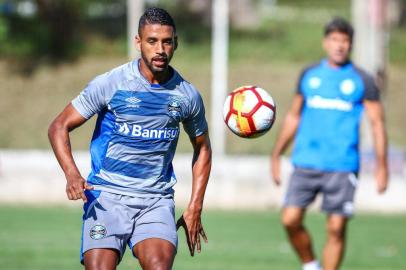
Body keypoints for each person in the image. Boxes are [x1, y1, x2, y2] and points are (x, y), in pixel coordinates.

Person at [48, 7, 211, 270]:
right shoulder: (111, 84)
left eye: (167, 42)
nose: (160, 49)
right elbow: (59, 126)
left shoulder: (187, 96)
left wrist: (195, 206)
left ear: (176, 44)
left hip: (154, 200)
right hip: (107, 197)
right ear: (138, 42)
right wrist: (71, 173)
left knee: (159, 266)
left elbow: (202, 149)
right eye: (152, 41)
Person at [271, 17, 388, 270]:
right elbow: (293, 115)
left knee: (336, 227)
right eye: (335, 39)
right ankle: (311, 265)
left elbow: (377, 124)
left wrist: (382, 166)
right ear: (326, 42)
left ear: (351, 44)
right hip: (305, 161)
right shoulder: (310, 74)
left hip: (342, 164)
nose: (339, 45)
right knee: (290, 219)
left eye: (344, 40)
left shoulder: (363, 80)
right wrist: (276, 154)